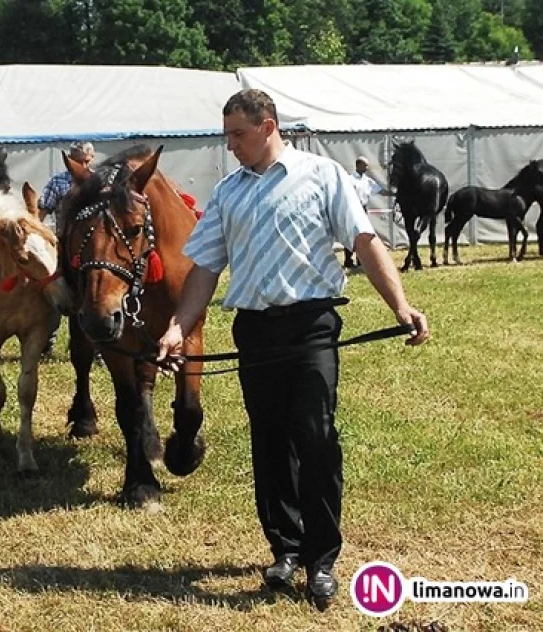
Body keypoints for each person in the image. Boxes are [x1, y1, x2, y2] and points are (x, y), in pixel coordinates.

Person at [155, 89, 430, 610]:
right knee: (271, 442)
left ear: (268, 125)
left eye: (238, 134)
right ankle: (285, 548)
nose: (230, 145)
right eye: (227, 135)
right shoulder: (229, 192)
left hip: (310, 326)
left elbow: (366, 241)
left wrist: (401, 306)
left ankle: (321, 559)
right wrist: (177, 327)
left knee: (317, 438)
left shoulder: (322, 176)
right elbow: (205, 268)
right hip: (255, 331)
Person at [38, 141, 95, 356]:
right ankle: (46, 342)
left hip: (90, 246)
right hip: (63, 244)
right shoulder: (59, 182)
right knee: (56, 290)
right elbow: (42, 211)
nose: (83, 165)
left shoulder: (98, 182)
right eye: (78, 160)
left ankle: (94, 345)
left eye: (87, 161)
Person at [344, 156, 386, 269]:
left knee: (363, 234)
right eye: (365, 165)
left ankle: (360, 260)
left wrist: (396, 193)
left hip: (363, 208)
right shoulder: (349, 179)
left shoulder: (367, 180)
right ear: (358, 165)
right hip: (352, 208)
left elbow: (380, 191)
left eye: (367, 165)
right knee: (352, 234)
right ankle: (348, 260)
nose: (367, 168)